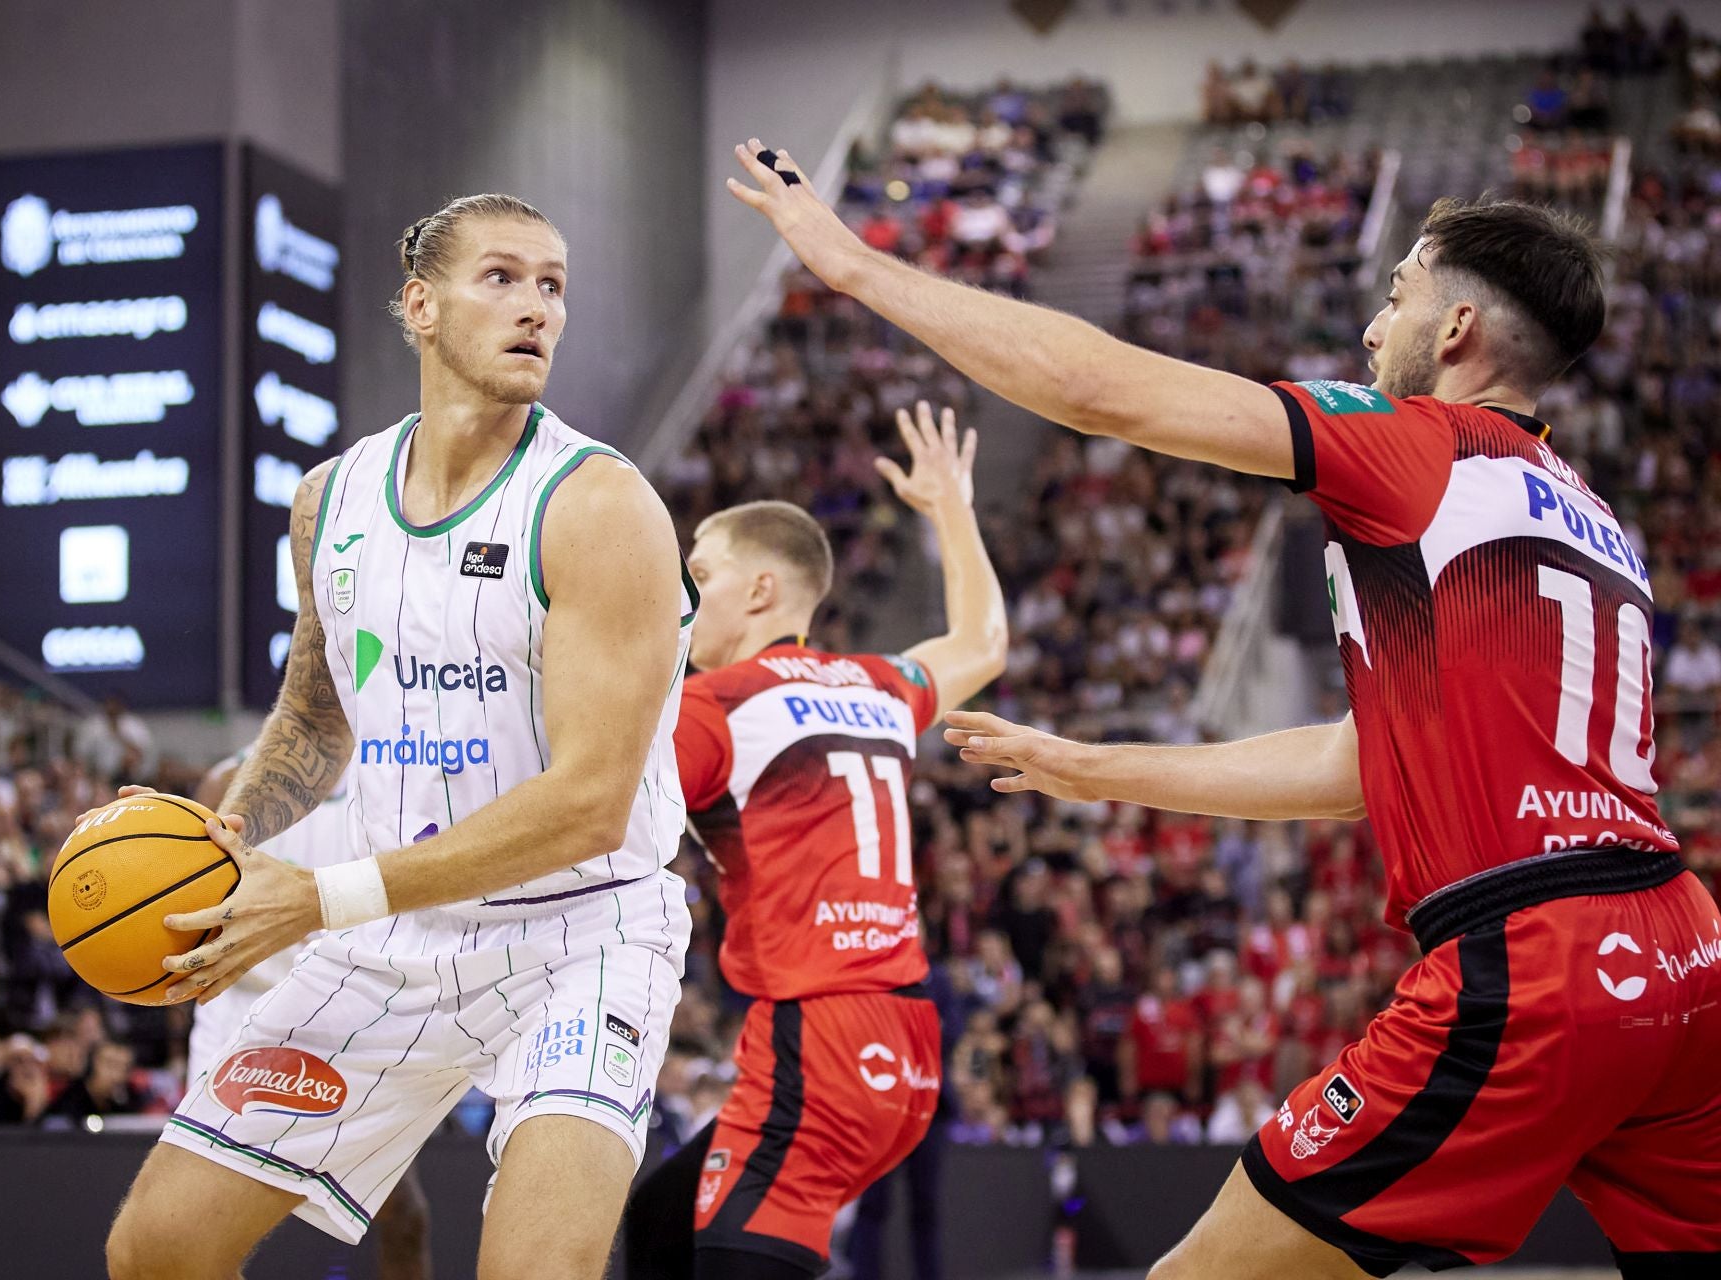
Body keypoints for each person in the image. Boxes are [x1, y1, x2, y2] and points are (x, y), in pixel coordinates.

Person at [729, 144, 1721, 1275]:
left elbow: (1099, 388)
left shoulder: (1415, 449)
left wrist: (856, 266)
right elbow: (1358, 767)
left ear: (1453, 330)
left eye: (1395, 294)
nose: (1369, 329)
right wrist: (1098, 766)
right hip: (1683, 949)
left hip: (1534, 955)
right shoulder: (1592, 516)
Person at [103, 193, 696, 1280]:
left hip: (586, 932)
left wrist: (318, 896)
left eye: (554, 284)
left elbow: (589, 803)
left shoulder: (601, 506)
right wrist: (218, 836)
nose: (537, 309)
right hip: (398, 939)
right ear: (419, 306)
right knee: (157, 1247)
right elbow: (316, 718)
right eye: (503, 278)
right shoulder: (331, 499)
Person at [622, 401, 1007, 1278]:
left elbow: (591, 819)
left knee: (726, 1258)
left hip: (818, 1038)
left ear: (760, 590)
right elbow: (983, 642)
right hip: (907, 1045)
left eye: (701, 575)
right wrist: (952, 504)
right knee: (658, 1223)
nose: (684, 595)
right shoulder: (876, 684)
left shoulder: (714, 705)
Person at [182, 752, 433, 1280]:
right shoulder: (228, 779)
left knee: (406, 1217)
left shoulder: (398, 770)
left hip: (344, 1008)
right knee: (201, 1229)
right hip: (242, 1007)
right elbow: (178, 893)